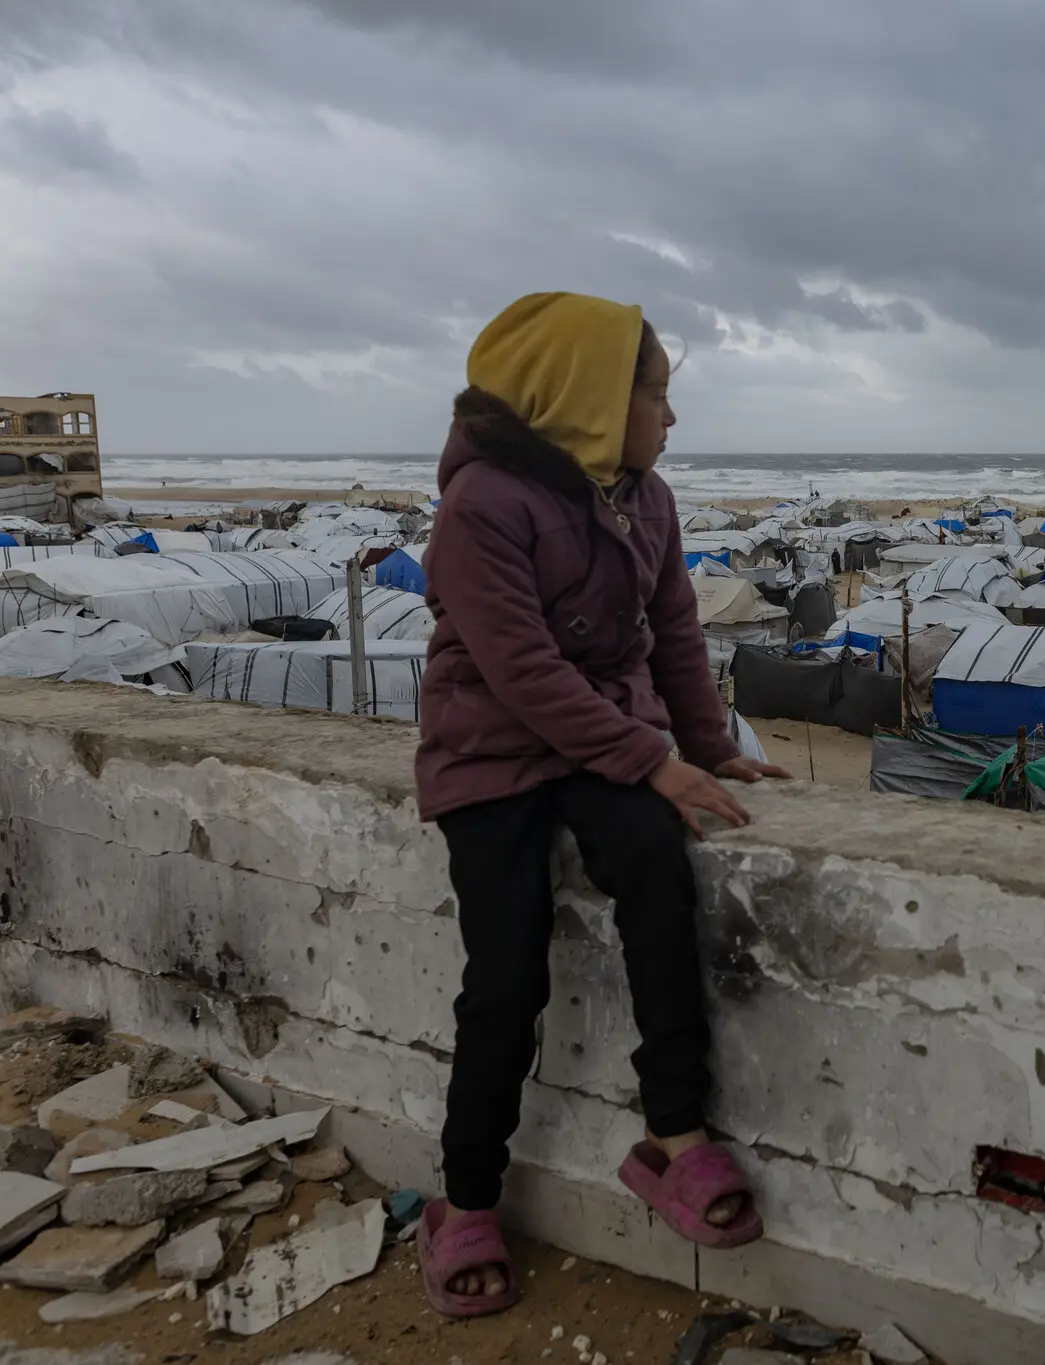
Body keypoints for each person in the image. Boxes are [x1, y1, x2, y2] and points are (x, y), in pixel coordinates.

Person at [413, 293, 789, 1318]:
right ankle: (466, 1197)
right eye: (656, 396)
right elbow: (520, 670)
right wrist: (653, 759)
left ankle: (674, 1138)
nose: (670, 420)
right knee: (506, 970)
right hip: (491, 750)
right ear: (584, 397)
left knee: (658, 881)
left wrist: (708, 746)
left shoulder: (645, 498)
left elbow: (672, 632)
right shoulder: (481, 505)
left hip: (595, 746)